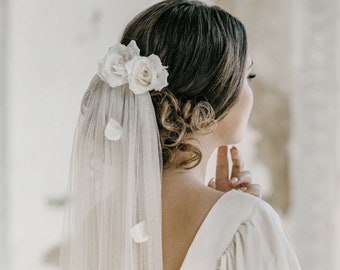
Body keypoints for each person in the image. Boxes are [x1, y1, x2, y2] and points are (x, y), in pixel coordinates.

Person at [59, 0, 301, 269]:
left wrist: (228, 213)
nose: (250, 91)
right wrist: (235, 220)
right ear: (213, 92)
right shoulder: (249, 222)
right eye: (248, 75)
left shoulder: (100, 221)